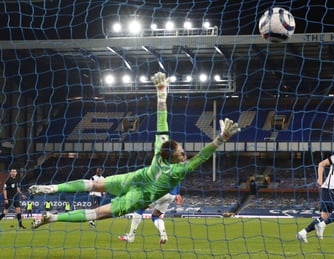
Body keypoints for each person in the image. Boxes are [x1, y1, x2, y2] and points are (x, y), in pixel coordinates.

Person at [30, 72, 240, 229]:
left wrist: (161, 93)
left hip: (134, 178)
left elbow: (161, 119)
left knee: (96, 184)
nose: (184, 152)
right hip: (140, 195)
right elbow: (203, 155)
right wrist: (222, 138)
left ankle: (54, 188)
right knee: (97, 213)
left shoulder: (160, 149)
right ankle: (54, 217)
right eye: (181, 151)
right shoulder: (179, 171)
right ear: (174, 156)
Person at [118, 184, 183, 244]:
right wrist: (177, 193)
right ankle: (163, 236)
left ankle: (131, 237)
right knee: (155, 216)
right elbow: (179, 177)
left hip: (162, 192)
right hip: (172, 195)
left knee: (140, 209)